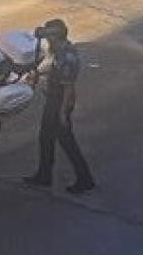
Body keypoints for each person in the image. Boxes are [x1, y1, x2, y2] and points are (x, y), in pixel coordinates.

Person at [23, 19, 96, 194]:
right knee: (45, 138)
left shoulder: (67, 56)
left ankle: (85, 179)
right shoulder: (59, 51)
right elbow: (52, 68)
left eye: (50, 36)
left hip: (60, 102)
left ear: (57, 36)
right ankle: (44, 174)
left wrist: (63, 113)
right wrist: (38, 73)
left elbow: (69, 88)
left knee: (67, 142)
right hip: (53, 100)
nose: (47, 40)